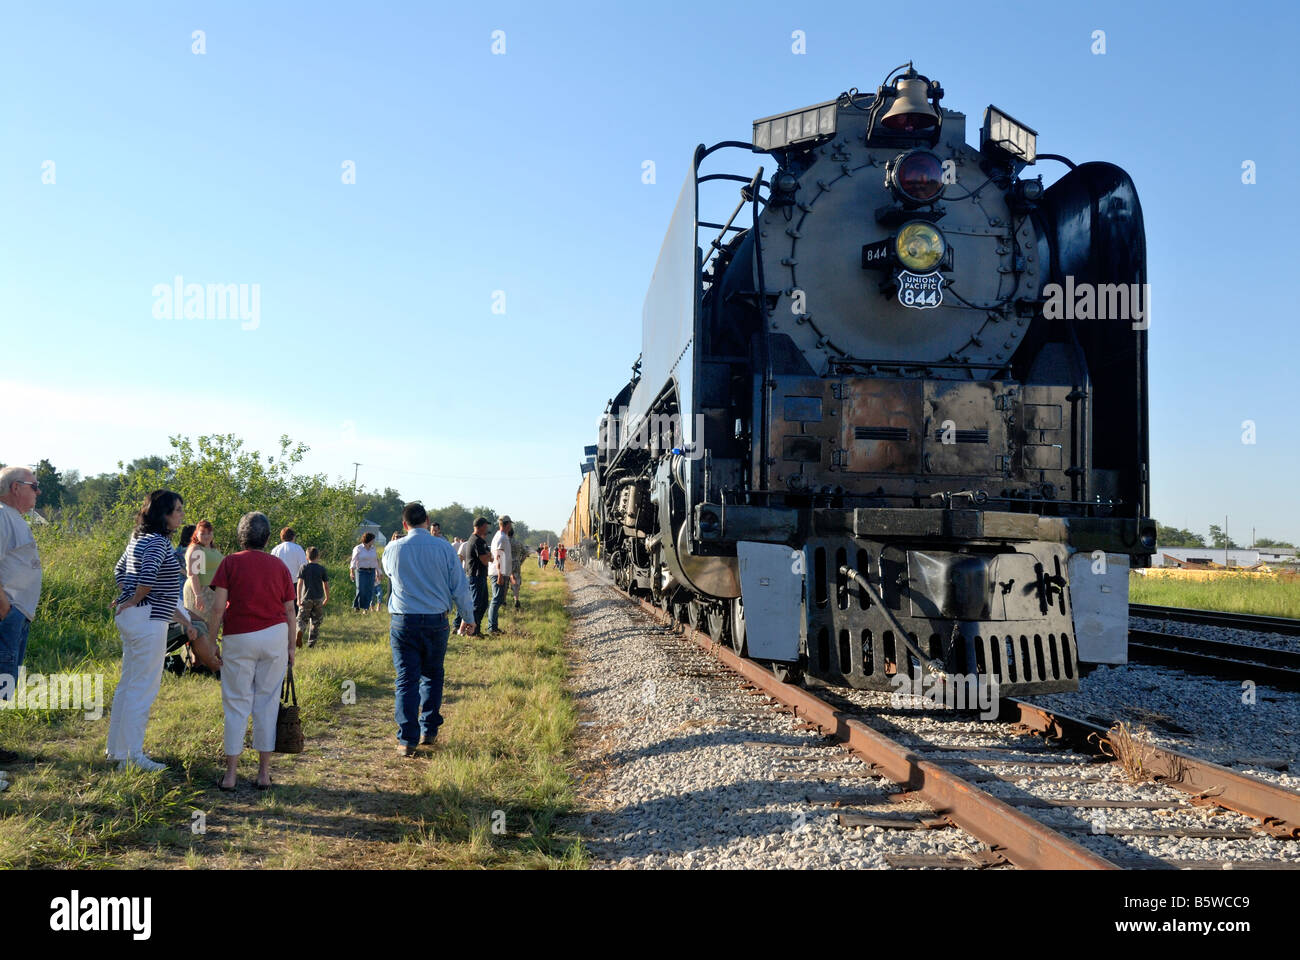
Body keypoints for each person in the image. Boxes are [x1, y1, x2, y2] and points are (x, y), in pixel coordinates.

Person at [108, 490, 201, 772]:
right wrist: (135, 597)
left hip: (135, 617)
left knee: (128, 685)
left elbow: (119, 571)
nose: (182, 515)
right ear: (163, 514)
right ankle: (132, 756)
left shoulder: (138, 539)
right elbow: (148, 578)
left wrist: (128, 597)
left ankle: (117, 751)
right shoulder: (159, 543)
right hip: (148, 620)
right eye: (178, 510)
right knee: (142, 689)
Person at [208, 512, 295, 791]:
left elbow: (218, 608)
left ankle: (230, 775)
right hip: (274, 636)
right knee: (267, 703)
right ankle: (264, 774)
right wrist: (291, 645)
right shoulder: (279, 565)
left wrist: (211, 641)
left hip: (239, 636)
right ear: (267, 538)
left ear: (240, 537)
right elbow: (290, 610)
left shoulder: (229, 562)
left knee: (236, 703)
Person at [381, 502, 475, 755]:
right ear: (428, 520)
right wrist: (468, 617)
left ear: (404, 524)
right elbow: (459, 585)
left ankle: (406, 740)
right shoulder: (444, 548)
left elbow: (389, 574)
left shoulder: (392, 549)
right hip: (436, 620)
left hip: (404, 621)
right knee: (432, 675)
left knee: (406, 679)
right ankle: (428, 730)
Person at [0, 465, 43, 782]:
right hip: (8, 612)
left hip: (17, 612)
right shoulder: (2, 516)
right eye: (34, 486)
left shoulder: (13, 518)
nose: (38, 492)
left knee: (5, 681)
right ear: (16, 487)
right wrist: (5, 605)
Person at [183, 521, 224, 619]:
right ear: (196, 534)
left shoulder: (212, 548)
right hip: (200, 591)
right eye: (202, 533)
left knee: (212, 622)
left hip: (211, 591)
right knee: (200, 623)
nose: (206, 536)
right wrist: (198, 595)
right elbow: (193, 574)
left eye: (209, 533)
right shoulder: (197, 549)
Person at [296, 547, 330, 648]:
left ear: (307, 557)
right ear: (318, 556)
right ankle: (311, 643)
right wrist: (327, 597)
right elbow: (326, 585)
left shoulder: (304, 567)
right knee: (316, 621)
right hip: (318, 599)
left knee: (301, 619)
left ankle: (300, 631)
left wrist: (298, 598)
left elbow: (299, 584)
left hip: (306, 598)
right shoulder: (321, 569)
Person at [486, 516, 513, 635]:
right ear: (507, 524)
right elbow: (498, 556)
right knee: (496, 599)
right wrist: (500, 574)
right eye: (510, 524)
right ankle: (492, 628)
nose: (510, 527)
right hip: (498, 573)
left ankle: (494, 626)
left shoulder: (502, 536)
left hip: (500, 572)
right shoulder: (501, 537)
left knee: (498, 599)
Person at [271, 527, 308, 612]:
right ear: (293, 537)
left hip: (280, 583)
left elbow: (272, 569)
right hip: (295, 583)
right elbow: (304, 567)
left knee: (281, 609)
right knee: (295, 609)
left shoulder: (275, 550)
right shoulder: (298, 548)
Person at [350, 533, 382, 612]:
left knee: (369, 590)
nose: (374, 541)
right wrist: (351, 572)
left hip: (371, 571)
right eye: (373, 540)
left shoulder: (373, 549)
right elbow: (353, 561)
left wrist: (378, 572)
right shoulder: (358, 548)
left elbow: (375, 561)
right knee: (361, 589)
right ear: (369, 540)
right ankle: (357, 606)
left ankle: (365, 608)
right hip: (361, 571)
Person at [508, 531, 524, 610]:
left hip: (506, 563)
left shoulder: (505, 542)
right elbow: (525, 552)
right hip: (516, 564)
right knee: (516, 583)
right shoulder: (518, 542)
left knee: (505, 582)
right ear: (513, 534)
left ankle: (503, 601)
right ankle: (516, 600)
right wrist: (520, 561)